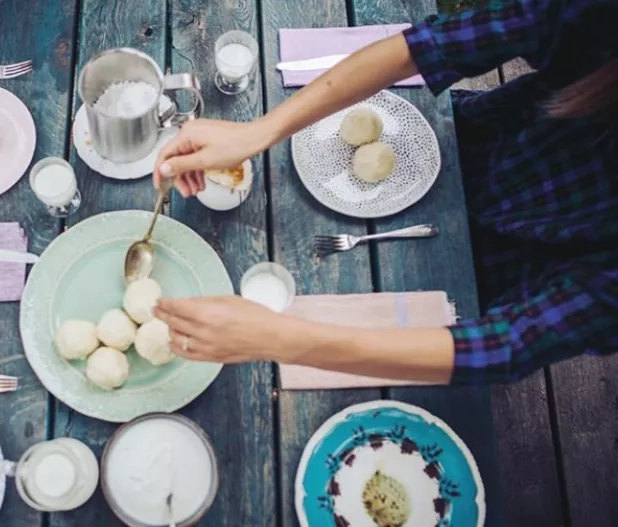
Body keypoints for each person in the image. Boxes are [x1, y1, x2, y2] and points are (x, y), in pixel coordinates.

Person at [151, 0, 618, 384]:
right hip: (468, 141)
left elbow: (509, 345)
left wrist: (279, 339)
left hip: (506, 271)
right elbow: (431, 45)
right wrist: (260, 131)